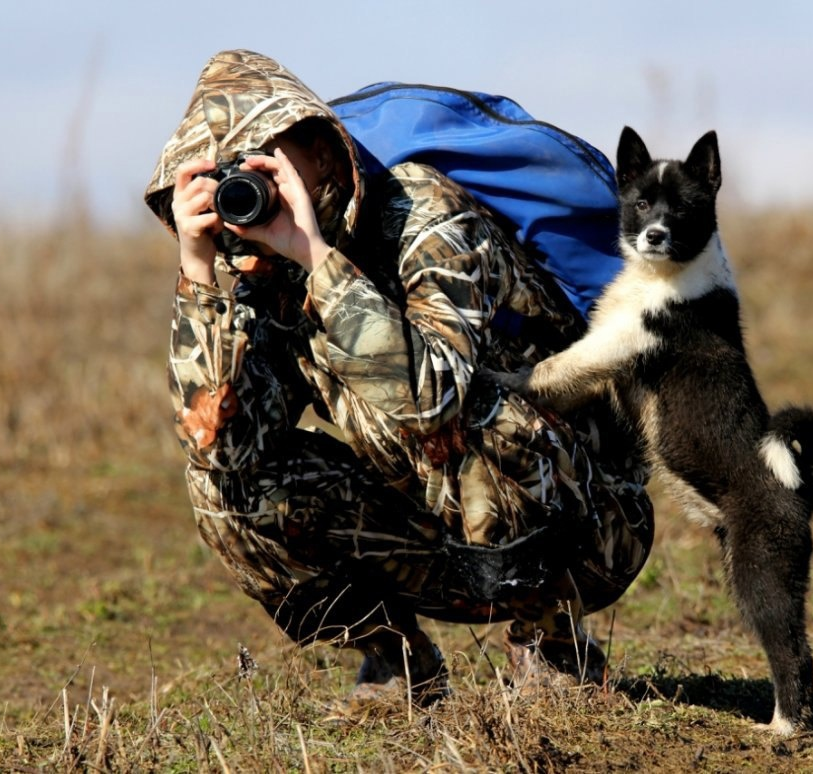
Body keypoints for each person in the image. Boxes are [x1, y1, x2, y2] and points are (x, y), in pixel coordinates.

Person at [144, 49, 653, 708]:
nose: (250, 188)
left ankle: (552, 645)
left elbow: (434, 401)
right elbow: (223, 444)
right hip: (432, 538)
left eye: (262, 164)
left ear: (322, 150)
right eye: (225, 175)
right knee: (221, 485)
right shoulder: (262, 270)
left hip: (587, 522)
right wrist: (199, 274)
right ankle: (395, 661)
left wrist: (318, 259)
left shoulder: (423, 212)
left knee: (484, 416)